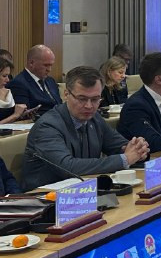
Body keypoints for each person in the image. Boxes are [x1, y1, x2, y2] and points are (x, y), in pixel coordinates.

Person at [20, 66, 150, 191]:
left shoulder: (95, 118)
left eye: (95, 99)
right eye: (82, 99)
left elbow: (120, 146)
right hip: (45, 198)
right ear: (66, 94)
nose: (89, 106)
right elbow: (68, 167)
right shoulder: (47, 126)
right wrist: (126, 158)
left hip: (85, 191)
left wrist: (138, 150)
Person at [7, 44, 62, 114]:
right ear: (31, 63)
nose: (49, 69)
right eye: (46, 65)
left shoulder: (50, 81)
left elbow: (59, 103)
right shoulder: (18, 83)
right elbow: (25, 114)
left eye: (51, 65)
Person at [0, 57, 25, 124]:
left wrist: (21, 115)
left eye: (8, 76)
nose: (8, 80)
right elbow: (13, 116)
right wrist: (15, 115)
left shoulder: (9, 92)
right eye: (4, 76)